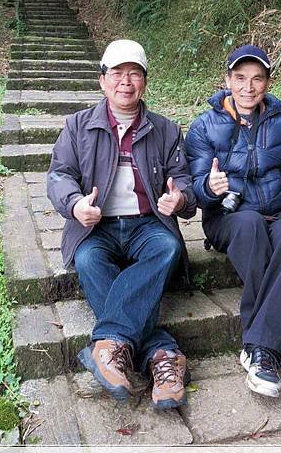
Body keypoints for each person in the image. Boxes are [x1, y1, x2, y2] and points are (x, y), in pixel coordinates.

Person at [185, 44, 281, 398]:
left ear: (267, 83)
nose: (248, 87)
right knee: (251, 225)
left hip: (274, 213)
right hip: (229, 218)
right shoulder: (204, 126)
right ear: (227, 80)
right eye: (240, 78)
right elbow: (194, 188)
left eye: (257, 79)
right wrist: (209, 187)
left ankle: (260, 349)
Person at [47, 39, 196, 409]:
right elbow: (59, 175)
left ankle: (109, 345)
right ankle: (161, 354)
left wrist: (179, 199)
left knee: (169, 247)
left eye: (134, 74)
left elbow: (186, 179)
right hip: (97, 227)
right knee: (87, 260)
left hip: (147, 225)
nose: (125, 82)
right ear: (102, 80)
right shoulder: (77, 126)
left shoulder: (166, 130)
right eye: (117, 73)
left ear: (144, 82)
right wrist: (75, 203)